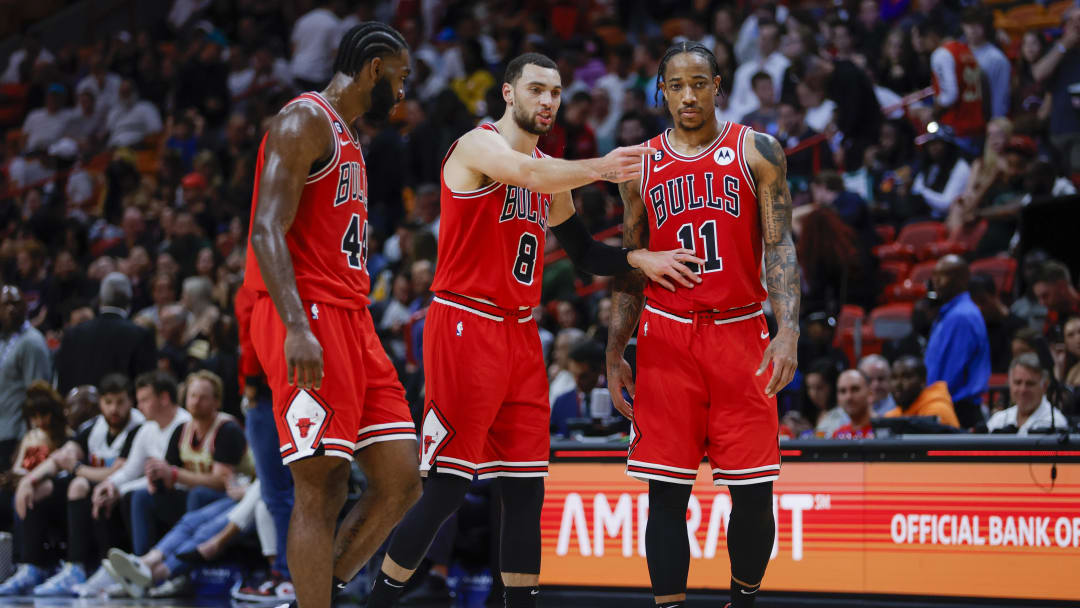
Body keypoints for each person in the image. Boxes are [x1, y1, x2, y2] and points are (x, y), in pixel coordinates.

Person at [367, 51, 697, 608]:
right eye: (537, 89)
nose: (548, 101)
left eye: (557, 92)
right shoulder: (478, 146)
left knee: (525, 489)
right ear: (508, 93)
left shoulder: (552, 174)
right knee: (448, 484)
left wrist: (639, 259)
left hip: (521, 335)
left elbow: (587, 253)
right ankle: (375, 602)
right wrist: (603, 166)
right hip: (465, 323)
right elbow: (524, 172)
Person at [605, 41, 800, 608]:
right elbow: (630, 260)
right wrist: (616, 349)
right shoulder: (639, 163)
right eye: (676, 86)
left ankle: (743, 602)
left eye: (699, 83)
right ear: (661, 91)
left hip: (741, 330)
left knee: (754, 490)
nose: (688, 96)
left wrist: (787, 329)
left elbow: (780, 242)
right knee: (666, 495)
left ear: (718, 84)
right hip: (666, 335)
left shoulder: (757, 150)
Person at [243, 23, 423, 608]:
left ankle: (311, 597)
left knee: (401, 481)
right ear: (374, 68)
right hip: (307, 313)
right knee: (319, 488)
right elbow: (267, 227)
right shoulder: (304, 120)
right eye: (399, 78)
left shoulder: (347, 135)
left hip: (354, 317)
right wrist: (296, 325)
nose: (401, 94)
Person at [6, 374, 143, 597]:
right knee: (39, 491)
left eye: (120, 402)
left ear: (130, 402)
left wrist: (78, 468)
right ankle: (32, 566)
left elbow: (118, 472)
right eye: (108, 402)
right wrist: (28, 482)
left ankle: (76, 568)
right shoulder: (94, 427)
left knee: (78, 484)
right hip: (91, 493)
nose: (114, 409)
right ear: (101, 403)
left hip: (119, 493)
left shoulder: (138, 428)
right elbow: (60, 458)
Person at [0, 382, 73, 595]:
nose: (40, 421)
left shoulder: (67, 436)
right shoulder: (30, 436)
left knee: (25, 498)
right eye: (35, 417)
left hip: (52, 487)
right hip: (23, 482)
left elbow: (55, 467)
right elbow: (19, 467)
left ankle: (25, 562)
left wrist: (27, 481)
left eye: (44, 415)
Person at [55, 272, 157, 394]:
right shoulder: (141, 335)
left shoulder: (72, 334)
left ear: (100, 300)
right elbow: (146, 387)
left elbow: (63, 381)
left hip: (80, 410)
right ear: (129, 301)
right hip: (121, 411)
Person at [925, 255, 991, 428]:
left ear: (963, 280)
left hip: (956, 410)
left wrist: (932, 405)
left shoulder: (961, 316)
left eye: (944, 275)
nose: (936, 281)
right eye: (935, 275)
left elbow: (949, 376)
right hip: (945, 405)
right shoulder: (949, 313)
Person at [0, 285, 51, 470]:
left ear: (26, 307)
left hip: (15, 434)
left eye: (16, 304)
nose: (11, 309)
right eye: (5, 305)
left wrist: (27, 441)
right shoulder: (3, 340)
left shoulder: (32, 342)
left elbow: (38, 398)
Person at [913, 19, 985, 142]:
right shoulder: (964, 49)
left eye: (923, 40)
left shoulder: (941, 54)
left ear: (931, 35)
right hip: (976, 121)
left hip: (957, 125)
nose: (922, 45)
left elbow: (950, 95)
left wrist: (933, 112)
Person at [1032, 5, 1080, 171]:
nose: (1077, 27)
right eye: (1072, 22)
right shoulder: (1057, 50)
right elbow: (1038, 74)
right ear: (1064, 26)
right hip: (1058, 129)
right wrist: (1064, 44)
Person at [987, 353, 1068, 434]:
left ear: (1044, 386)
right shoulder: (999, 420)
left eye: (1030, 384)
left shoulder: (1055, 423)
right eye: (1018, 383)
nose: (1023, 390)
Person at [968, 273, 1027, 374]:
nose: (979, 308)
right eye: (974, 304)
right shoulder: (973, 328)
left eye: (983, 301)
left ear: (995, 295)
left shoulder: (1018, 326)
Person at [550, 340, 610, 437]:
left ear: (600, 370)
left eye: (583, 376)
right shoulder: (561, 402)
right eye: (574, 375)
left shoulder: (621, 401)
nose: (577, 381)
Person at [960, 7, 1010, 119]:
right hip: (961, 119)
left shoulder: (997, 59)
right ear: (962, 26)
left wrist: (996, 121)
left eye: (977, 24)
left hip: (984, 118)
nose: (972, 29)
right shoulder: (956, 53)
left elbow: (1000, 95)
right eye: (968, 24)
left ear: (985, 27)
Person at [884, 356, 961, 427]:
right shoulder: (892, 415)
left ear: (923, 381)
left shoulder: (936, 411)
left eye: (906, 377)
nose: (898, 384)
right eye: (894, 377)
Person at [1033, 261, 1080, 336]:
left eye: (1045, 296)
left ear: (1062, 287)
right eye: (1038, 297)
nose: (1041, 303)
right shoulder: (1052, 316)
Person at [832, 370, 874, 439]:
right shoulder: (838, 434)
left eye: (855, 389)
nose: (848, 397)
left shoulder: (886, 430)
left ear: (870, 394)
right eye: (843, 391)